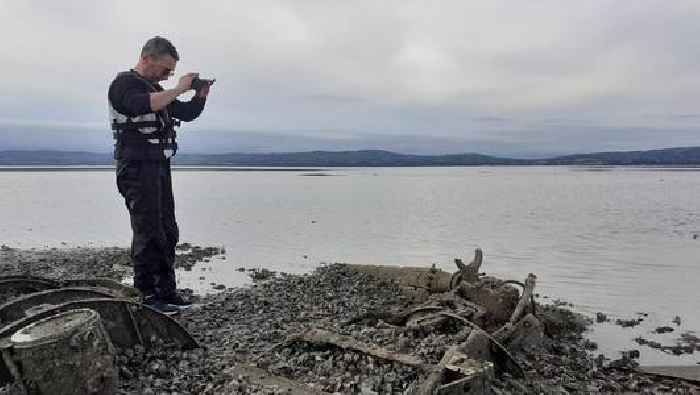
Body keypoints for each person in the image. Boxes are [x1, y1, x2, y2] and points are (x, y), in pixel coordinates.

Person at [108, 36, 211, 313]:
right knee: (148, 230)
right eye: (165, 70)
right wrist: (178, 88)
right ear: (147, 58)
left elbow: (186, 113)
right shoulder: (123, 85)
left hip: (158, 166)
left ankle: (167, 292)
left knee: (167, 230)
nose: (168, 76)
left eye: (172, 72)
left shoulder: (157, 89)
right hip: (136, 166)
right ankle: (147, 297)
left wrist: (200, 94)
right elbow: (143, 105)